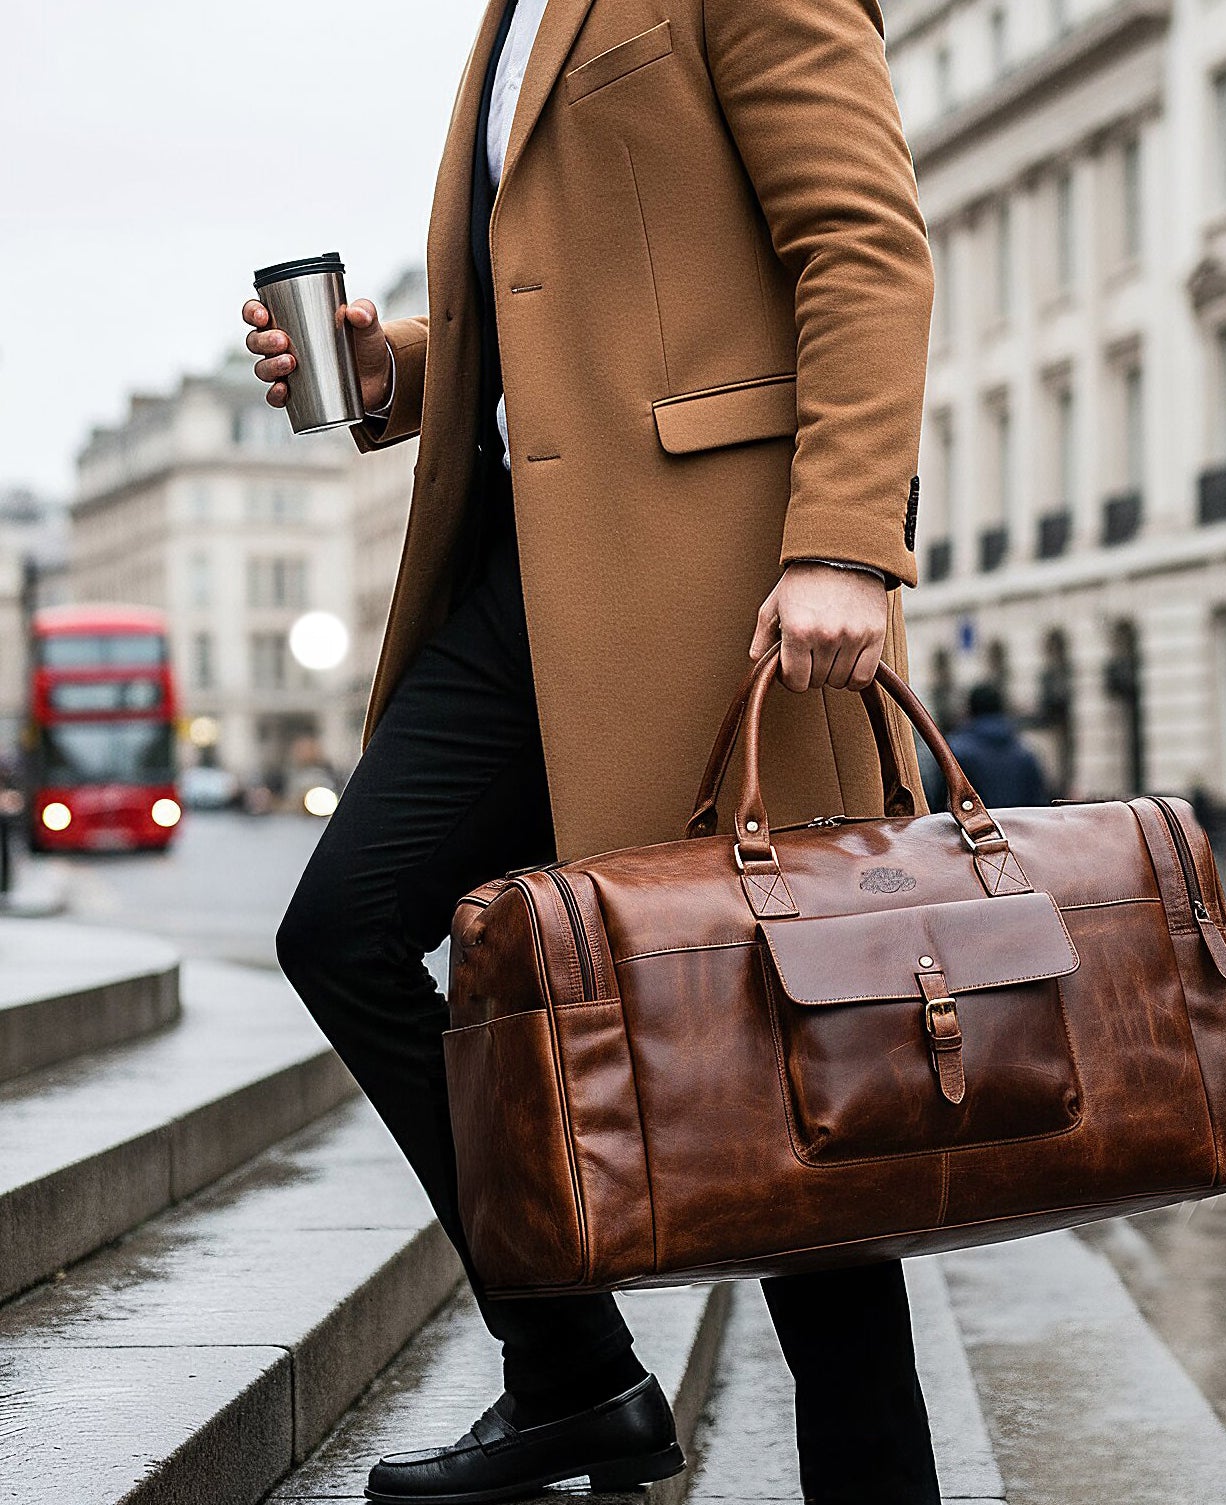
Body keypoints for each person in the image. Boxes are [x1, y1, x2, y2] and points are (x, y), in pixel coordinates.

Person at [255, 1, 940, 1501]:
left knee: (784, 1093)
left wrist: (844, 541)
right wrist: (395, 370)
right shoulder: (514, 16)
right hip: (529, 581)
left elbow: (865, 245)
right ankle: (567, 1364)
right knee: (348, 925)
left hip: (717, 588)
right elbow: (564, 309)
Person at [923, 683, 1049, 811]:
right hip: (1018, 829)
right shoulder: (1024, 752)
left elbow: (940, 803)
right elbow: (1038, 803)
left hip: (973, 829)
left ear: (970, 709)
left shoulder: (955, 751)